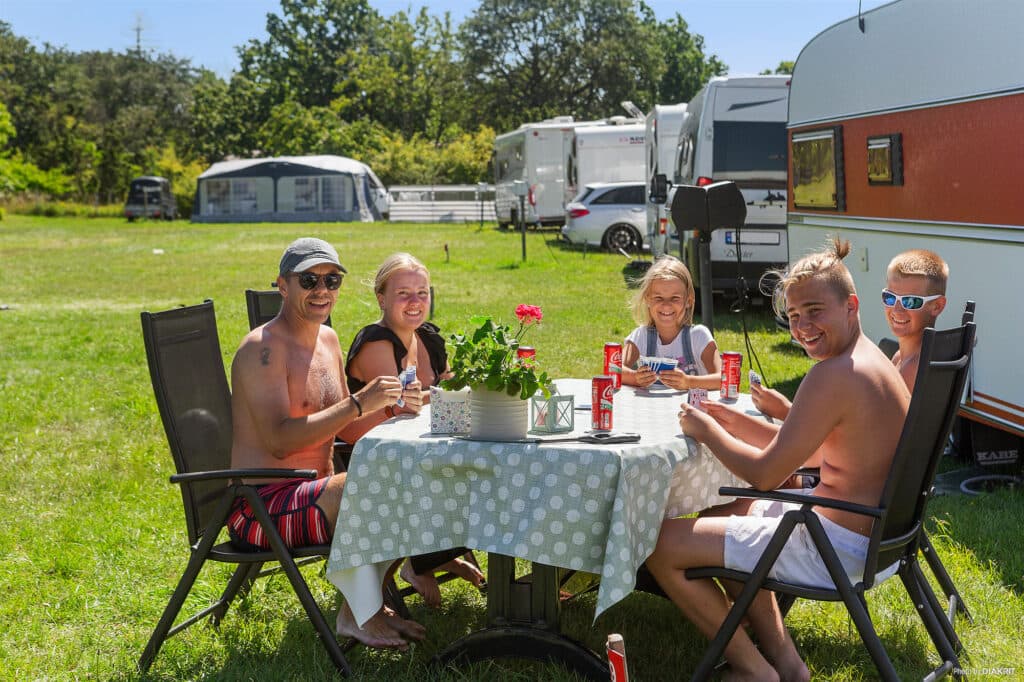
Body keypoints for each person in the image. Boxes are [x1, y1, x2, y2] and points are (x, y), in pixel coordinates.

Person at [645, 238, 909, 682]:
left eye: (814, 310)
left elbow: (768, 473)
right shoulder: (869, 361)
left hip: (834, 547)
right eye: (793, 316)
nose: (802, 326)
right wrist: (730, 420)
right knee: (725, 511)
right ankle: (786, 664)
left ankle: (754, 671)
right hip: (871, 535)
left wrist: (707, 431)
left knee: (658, 545)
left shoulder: (832, 375)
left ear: (851, 305)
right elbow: (804, 447)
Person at [227, 237, 424, 650]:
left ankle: (368, 603)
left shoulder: (327, 341)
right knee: (376, 486)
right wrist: (358, 402)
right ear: (283, 286)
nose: (322, 290)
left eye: (331, 280)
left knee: (416, 477)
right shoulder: (261, 350)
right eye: (309, 280)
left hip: (316, 491)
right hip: (262, 505)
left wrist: (396, 410)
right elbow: (279, 441)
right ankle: (358, 613)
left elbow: (345, 430)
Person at [340, 252, 484, 607]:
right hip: (372, 460)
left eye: (422, 292)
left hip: (416, 450)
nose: (415, 301)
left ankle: (433, 555)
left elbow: (454, 389)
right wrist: (445, 395)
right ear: (382, 299)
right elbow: (401, 407)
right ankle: (418, 561)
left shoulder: (429, 339)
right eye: (403, 293)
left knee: (484, 466)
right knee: (463, 471)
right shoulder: (376, 341)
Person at [751, 248, 948, 419]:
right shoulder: (901, 357)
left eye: (910, 302)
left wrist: (785, 411)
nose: (896, 309)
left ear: (936, 306)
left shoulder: (914, 368)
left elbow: (868, 436)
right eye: (889, 297)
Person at [621, 255, 722, 390]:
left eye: (675, 298)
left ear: (689, 301)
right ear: (648, 299)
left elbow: (723, 378)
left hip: (689, 410)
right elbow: (614, 369)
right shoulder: (641, 335)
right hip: (650, 410)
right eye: (658, 298)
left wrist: (688, 382)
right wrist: (635, 378)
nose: (666, 305)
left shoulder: (698, 336)